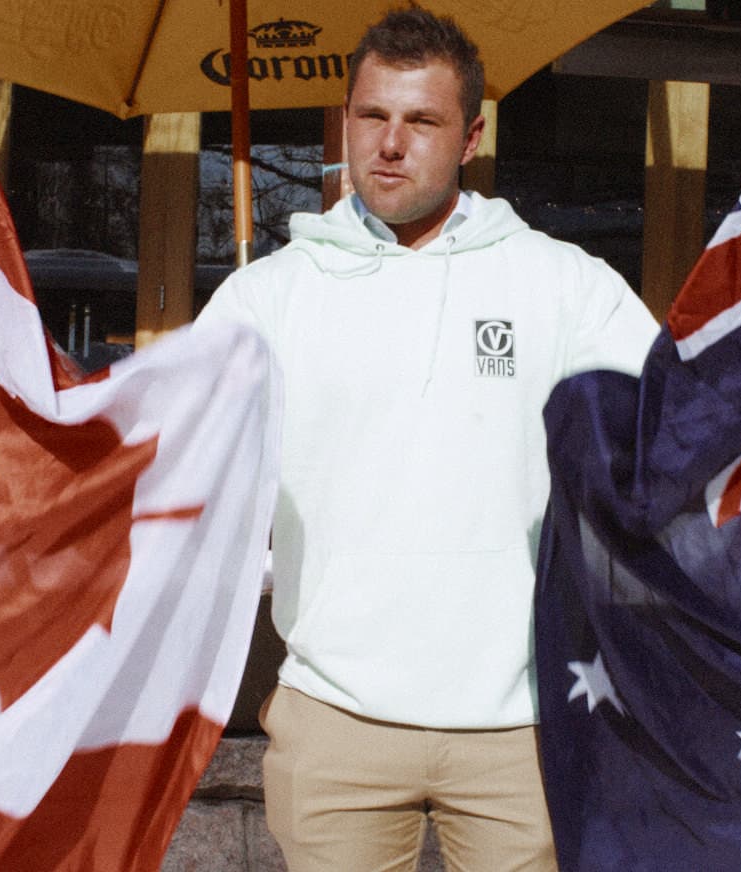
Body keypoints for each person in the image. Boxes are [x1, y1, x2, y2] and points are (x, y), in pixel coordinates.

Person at [196, 9, 658, 870]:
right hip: (335, 720)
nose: (391, 144)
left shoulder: (562, 286)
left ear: (471, 135)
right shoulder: (271, 295)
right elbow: (173, 469)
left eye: (422, 121)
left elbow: (676, 432)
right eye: (372, 116)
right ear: (346, 122)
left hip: (517, 727)